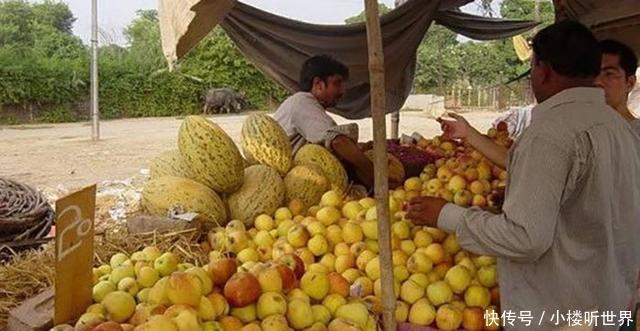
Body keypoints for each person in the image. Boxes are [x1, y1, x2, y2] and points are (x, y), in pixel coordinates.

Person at [408, 20, 640, 330]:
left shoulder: (549, 133)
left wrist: (448, 215)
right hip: (609, 302)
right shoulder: (619, 129)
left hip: (563, 314)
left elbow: (525, 237)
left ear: (542, 70)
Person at [439, 38, 640, 169]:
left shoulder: (635, 136)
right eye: (593, 73)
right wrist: (468, 133)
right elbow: (522, 165)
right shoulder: (574, 135)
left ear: (630, 82)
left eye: (609, 74)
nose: (597, 81)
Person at [274, 55, 393, 190]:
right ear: (318, 84)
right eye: (337, 83)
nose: (343, 91)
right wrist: (379, 177)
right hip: (287, 184)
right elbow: (337, 141)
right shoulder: (302, 102)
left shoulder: (307, 105)